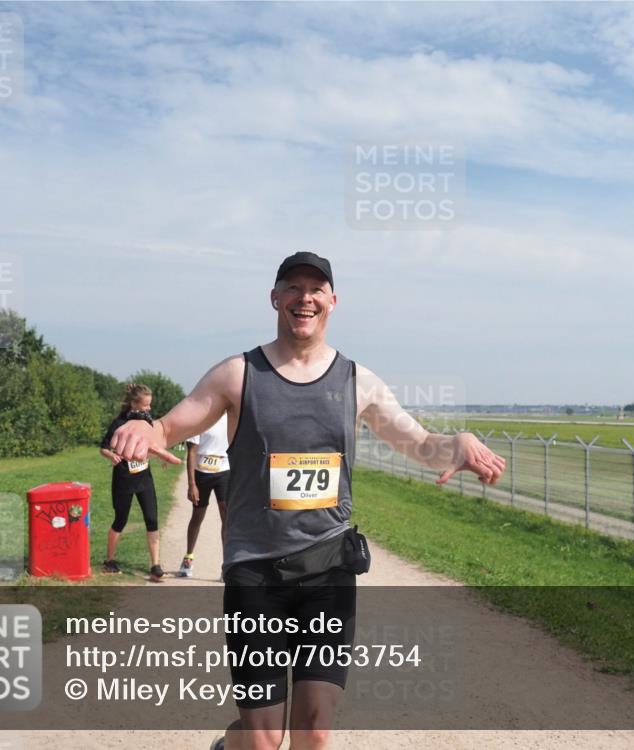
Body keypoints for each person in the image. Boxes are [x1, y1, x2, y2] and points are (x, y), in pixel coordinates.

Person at [111, 251, 505, 750]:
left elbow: (420, 444)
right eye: (294, 287)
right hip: (255, 574)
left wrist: (458, 444)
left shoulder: (359, 381)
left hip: (328, 571)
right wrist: (145, 429)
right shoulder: (237, 374)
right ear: (275, 298)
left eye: (316, 289)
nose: (305, 298)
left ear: (332, 301)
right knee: (262, 741)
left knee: (313, 731)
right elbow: (171, 425)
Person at [99, 383, 165, 582]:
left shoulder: (147, 423)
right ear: (134, 404)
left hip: (144, 479)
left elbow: (152, 444)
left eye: (150, 405)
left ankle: (155, 566)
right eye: (146, 405)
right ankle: (109, 561)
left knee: (152, 519)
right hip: (124, 480)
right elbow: (103, 447)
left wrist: (160, 455)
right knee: (120, 520)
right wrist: (111, 455)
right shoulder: (119, 423)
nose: (149, 408)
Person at [179, 413, 230, 578]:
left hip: (224, 471)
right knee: (197, 516)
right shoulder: (200, 419)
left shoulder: (232, 417)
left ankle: (227, 565)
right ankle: (188, 558)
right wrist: (191, 484)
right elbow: (192, 452)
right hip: (202, 473)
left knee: (226, 516)